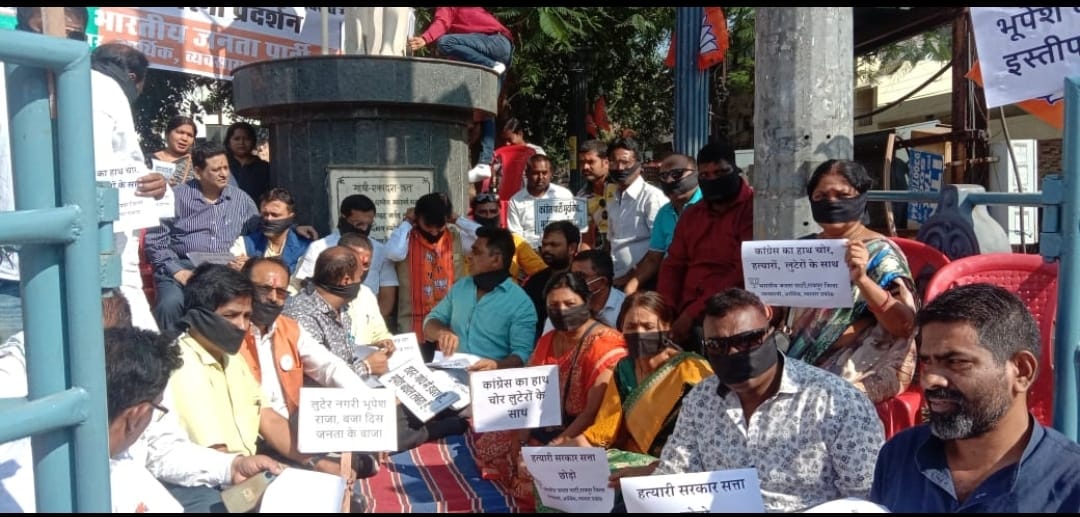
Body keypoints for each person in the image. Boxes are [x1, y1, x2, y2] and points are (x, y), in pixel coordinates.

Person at [621, 288, 884, 513]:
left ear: (771, 334)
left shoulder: (837, 403)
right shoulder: (701, 399)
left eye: (747, 341)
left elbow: (865, 499)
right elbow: (676, 474)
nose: (733, 353)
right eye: (717, 346)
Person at [869, 283, 1080, 512]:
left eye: (957, 362)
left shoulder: (1070, 483)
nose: (930, 380)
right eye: (927, 361)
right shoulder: (899, 454)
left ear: (1021, 370)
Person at [164, 264, 348, 480]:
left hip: (246, 467)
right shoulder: (182, 363)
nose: (242, 326)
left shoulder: (231, 358)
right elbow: (217, 451)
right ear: (198, 315)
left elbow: (267, 417)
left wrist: (317, 462)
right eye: (231, 315)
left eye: (246, 316)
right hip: (213, 481)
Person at [474, 270, 626, 508]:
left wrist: (552, 449)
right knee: (492, 443)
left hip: (582, 435)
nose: (562, 310)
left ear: (586, 302)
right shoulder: (549, 339)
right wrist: (523, 439)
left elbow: (590, 414)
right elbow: (532, 395)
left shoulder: (605, 344)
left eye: (570, 303)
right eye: (554, 305)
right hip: (547, 423)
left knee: (536, 477)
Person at [784, 159, 917, 404]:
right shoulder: (802, 249)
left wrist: (863, 280)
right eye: (821, 195)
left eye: (842, 195)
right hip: (800, 357)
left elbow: (904, 327)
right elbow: (783, 313)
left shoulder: (881, 253)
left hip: (864, 365)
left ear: (860, 197)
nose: (831, 201)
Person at [0, 7, 92, 345]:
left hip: (79, 271)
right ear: (22, 28)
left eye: (72, 36)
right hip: (7, 276)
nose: (56, 44)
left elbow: (127, 167)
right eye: (42, 34)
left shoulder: (102, 89)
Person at [574, 292, 713, 466]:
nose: (639, 333)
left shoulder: (690, 368)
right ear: (621, 329)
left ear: (667, 328)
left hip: (682, 466)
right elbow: (603, 431)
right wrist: (557, 454)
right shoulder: (624, 370)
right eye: (631, 326)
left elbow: (710, 428)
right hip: (635, 462)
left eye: (648, 327)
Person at [91, 42, 171, 333]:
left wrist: (157, 186)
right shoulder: (110, 90)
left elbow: (133, 169)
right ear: (136, 79)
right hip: (105, 234)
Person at [145, 142, 261, 331]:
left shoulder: (242, 200)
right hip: (183, 267)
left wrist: (249, 260)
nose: (224, 174)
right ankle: (170, 351)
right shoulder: (176, 197)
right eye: (216, 170)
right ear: (198, 172)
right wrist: (177, 271)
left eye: (226, 167)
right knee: (170, 304)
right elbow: (156, 241)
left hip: (225, 270)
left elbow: (258, 235)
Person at [658, 142, 754, 349]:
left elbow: (742, 271)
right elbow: (673, 264)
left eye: (720, 172)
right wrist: (666, 309)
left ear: (735, 169)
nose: (713, 179)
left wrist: (692, 314)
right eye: (705, 175)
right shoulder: (692, 214)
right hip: (684, 313)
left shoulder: (753, 209)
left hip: (729, 315)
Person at [408, 7, 513, 184]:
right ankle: (484, 163)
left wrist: (425, 39)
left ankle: (490, 65)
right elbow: (458, 58)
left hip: (496, 44)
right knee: (486, 106)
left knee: (445, 42)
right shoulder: (465, 40)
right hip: (502, 48)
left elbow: (442, 22)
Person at [423, 226, 537, 371]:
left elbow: (522, 356)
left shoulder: (520, 303)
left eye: (476, 252)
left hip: (492, 382)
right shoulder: (461, 287)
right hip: (452, 375)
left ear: (496, 259)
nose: (470, 256)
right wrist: (442, 332)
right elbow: (429, 322)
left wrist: (496, 365)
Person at [294, 194, 398, 317]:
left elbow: (387, 295)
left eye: (368, 224)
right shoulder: (319, 248)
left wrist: (373, 324)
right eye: (358, 224)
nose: (364, 229)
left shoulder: (380, 250)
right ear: (343, 217)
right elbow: (306, 287)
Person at [385, 193, 467, 336]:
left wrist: (458, 220)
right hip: (412, 325)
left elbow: (485, 237)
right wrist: (407, 222)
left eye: (439, 226)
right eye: (428, 226)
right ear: (418, 218)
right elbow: (394, 253)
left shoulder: (455, 237)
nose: (434, 232)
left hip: (450, 323)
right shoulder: (406, 237)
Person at [624, 153, 702, 295]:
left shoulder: (708, 206)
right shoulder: (664, 213)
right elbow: (654, 258)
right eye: (664, 176)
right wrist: (631, 286)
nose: (670, 180)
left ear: (696, 174)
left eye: (677, 174)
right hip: (671, 287)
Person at [605, 138, 666, 291]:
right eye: (614, 162)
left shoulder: (652, 198)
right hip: (616, 280)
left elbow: (659, 249)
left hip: (644, 283)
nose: (619, 168)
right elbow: (611, 242)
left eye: (625, 162)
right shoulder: (613, 197)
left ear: (639, 164)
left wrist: (632, 279)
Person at [230, 187, 312, 274]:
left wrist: (252, 266)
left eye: (275, 215)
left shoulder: (305, 248)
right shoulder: (245, 243)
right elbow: (232, 262)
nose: (269, 219)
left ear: (290, 217)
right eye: (265, 214)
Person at [523, 220, 581, 340]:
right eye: (544, 244)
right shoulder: (534, 282)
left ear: (572, 248)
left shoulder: (583, 279)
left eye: (554, 245)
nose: (547, 249)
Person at [507, 154, 577, 250]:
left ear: (551, 173)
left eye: (544, 173)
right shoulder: (516, 201)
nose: (540, 177)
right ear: (526, 174)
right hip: (531, 254)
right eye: (536, 173)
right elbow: (516, 236)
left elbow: (574, 226)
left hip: (561, 253)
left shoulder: (564, 195)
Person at [575, 139, 616, 253]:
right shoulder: (581, 197)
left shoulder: (621, 188)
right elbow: (586, 238)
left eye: (591, 162)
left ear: (606, 163)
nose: (585, 167)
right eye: (582, 162)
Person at [224, 122, 271, 202]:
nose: (241, 143)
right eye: (237, 139)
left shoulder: (264, 168)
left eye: (246, 139)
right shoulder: (222, 166)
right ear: (228, 142)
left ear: (253, 142)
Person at [151, 115, 198, 187]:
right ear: (167, 134)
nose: (185, 138)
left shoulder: (197, 164)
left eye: (190, 135)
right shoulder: (148, 161)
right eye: (180, 132)